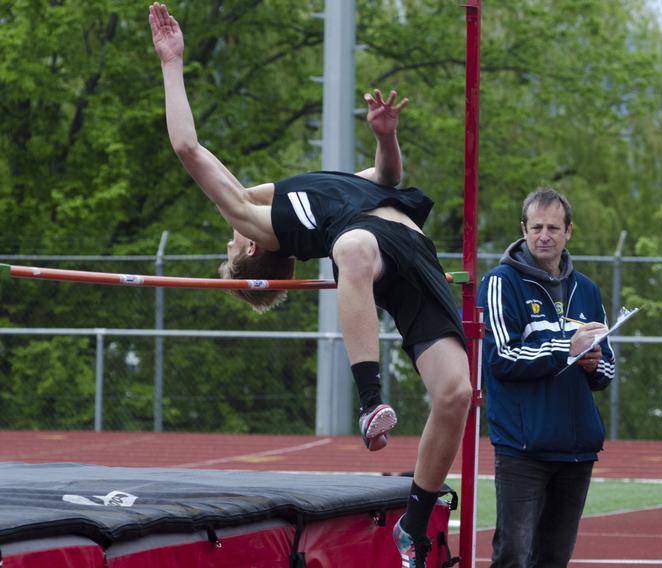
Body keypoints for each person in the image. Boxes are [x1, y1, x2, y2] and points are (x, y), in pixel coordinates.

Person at [148, 4, 470, 566]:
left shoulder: (300, 193)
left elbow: (385, 179)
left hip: (411, 250)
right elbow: (188, 150)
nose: (229, 234)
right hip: (368, 249)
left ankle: (413, 526)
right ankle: (370, 402)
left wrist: (385, 137)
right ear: (251, 247)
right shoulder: (267, 223)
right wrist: (172, 64)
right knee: (350, 249)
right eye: (232, 244)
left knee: (455, 394)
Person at [477, 187, 616, 567]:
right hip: (523, 448)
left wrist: (594, 362)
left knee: (554, 558)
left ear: (569, 231)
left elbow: (608, 370)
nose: (544, 236)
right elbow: (501, 358)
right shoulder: (500, 283)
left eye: (553, 227)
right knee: (512, 555)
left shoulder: (586, 289)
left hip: (577, 450)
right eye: (536, 226)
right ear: (523, 229)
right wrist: (566, 348)